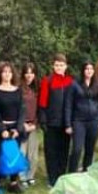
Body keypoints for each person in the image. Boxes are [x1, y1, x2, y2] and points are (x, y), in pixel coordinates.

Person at [65, 60, 98, 172]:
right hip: (78, 121)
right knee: (77, 149)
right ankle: (71, 173)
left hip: (94, 121)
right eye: (86, 69)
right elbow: (68, 105)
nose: (89, 71)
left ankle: (86, 171)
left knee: (90, 149)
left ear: (94, 71)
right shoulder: (74, 84)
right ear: (83, 70)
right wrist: (68, 124)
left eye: (91, 69)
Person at [38, 53, 75, 187]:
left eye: (61, 65)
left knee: (63, 151)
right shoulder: (47, 81)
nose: (59, 67)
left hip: (65, 124)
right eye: (56, 65)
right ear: (53, 66)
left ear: (66, 66)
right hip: (51, 123)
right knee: (51, 151)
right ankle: (51, 178)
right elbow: (42, 103)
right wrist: (43, 120)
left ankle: (61, 176)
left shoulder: (70, 81)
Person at [0, 61, 25, 194]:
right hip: (1, 129)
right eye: (4, 72)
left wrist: (18, 128)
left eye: (9, 72)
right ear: (0, 74)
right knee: (0, 155)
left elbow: (21, 111)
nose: (7, 74)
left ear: (13, 74)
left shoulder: (18, 90)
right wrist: (2, 129)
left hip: (15, 129)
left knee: (14, 155)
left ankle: (13, 182)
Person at [20, 63, 39, 186]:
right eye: (27, 72)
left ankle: (30, 175)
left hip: (34, 125)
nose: (29, 75)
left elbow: (41, 108)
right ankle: (21, 177)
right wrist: (22, 124)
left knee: (33, 154)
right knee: (22, 152)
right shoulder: (19, 88)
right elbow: (16, 108)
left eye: (31, 73)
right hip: (22, 125)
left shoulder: (37, 88)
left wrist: (35, 124)